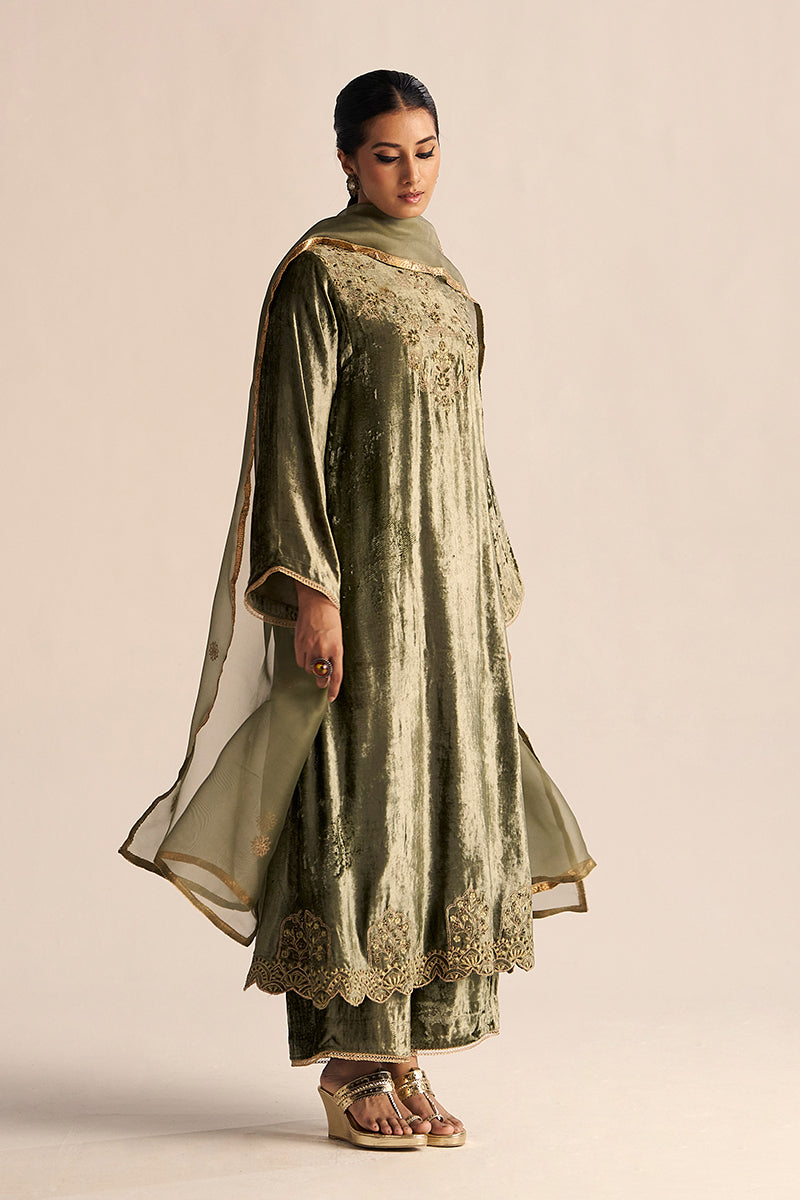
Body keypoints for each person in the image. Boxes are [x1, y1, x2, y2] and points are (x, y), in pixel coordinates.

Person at [119, 69, 597, 1151]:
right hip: (364, 585)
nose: (410, 173)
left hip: (447, 594)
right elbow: (290, 442)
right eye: (386, 154)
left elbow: (465, 447)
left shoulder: (445, 279)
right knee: (363, 796)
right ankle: (350, 1061)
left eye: (426, 150)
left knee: (439, 795)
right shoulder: (319, 274)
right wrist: (313, 592)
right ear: (345, 159)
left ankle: (405, 1050)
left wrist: (486, 577)